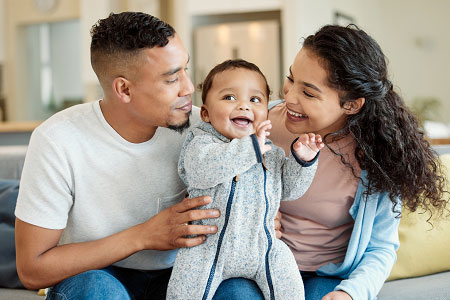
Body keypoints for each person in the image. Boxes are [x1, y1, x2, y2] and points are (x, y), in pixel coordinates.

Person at [14, 12, 264, 300]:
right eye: (172, 78)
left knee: (240, 292)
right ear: (124, 89)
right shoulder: (57, 140)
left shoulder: (205, 127)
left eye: (185, 69)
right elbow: (32, 269)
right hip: (99, 274)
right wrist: (143, 236)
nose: (188, 87)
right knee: (97, 290)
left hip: (189, 270)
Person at [269, 24, 447, 300]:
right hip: (262, 262)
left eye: (308, 93)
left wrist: (351, 293)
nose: (288, 97)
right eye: (291, 79)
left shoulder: (377, 157)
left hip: (325, 276)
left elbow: (381, 248)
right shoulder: (260, 126)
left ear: (351, 104)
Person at [166, 59, 323, 300]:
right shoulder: (201, 144)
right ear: (206, 113)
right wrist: (250, 148)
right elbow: (202, 171)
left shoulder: (270, 154)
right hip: (206, 248)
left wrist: (303, 160)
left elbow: (290, 189)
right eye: (229, 98)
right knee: (183, 292)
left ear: (267, 112)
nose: (243, 106)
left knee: (289, 285)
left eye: (255, 99)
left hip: (263, 247)